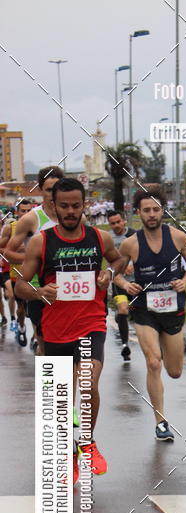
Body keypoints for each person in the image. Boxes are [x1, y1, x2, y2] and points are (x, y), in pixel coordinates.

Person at [15, 178, 126, 481]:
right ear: (53, 205)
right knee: (61, 401)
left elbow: (119, 263)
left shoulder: (100, 238)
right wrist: (40, 292)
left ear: (84, 205)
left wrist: (109, 274)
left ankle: (87, 443)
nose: (70, 211)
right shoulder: (42, 241)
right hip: (55, 331)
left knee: (88, 383)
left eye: (76, 205)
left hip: (91, 323)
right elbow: (20, 285)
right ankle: (68, 453)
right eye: (64, 206)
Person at [114, 189, 186, 441]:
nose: (151, 214)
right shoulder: (131, 244)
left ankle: (165, 346)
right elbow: (114, 273)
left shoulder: (178, 237)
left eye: (156, 209)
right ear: (138, 213)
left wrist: (185, 281)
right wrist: (126, 285)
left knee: (174, 371)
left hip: (173, 310)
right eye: (146, 210)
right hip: (145, 310)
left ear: (163, 211)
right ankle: (160, 422)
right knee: (153, 362)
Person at [5, 166, 64, 351]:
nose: (53, 194)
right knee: (47, 346)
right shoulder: (31, 219)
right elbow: (8, 253)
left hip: (69, 290)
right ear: (40, 190)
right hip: (40, 288)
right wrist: (34, 258)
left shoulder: (74, 216)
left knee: (70, 347)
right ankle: (49, 377)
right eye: (48, 190)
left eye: (57, 188)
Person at [0, 198, 34, 337]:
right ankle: (21, 327)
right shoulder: (11, 227)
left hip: (37, 272)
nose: (26, 214)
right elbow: (1, 248)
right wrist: (15, 250)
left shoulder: (39, 226)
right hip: (17, 272)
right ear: (17, 212)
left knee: (36, 307)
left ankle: (36, 338)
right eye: (23, 211)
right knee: (21, 308)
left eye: (29, 211)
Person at [106, 209, 135, 360]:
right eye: (112, 223)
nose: (116, 225)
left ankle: (121, 316)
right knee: (124, 309)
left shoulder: (134, 235)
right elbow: (108, 261)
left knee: (134, 312)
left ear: (124, 220)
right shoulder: (108, 239)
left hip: (137, 282)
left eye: (118, 222)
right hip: (119, 282)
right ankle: (125, 345)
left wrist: (133, 265)